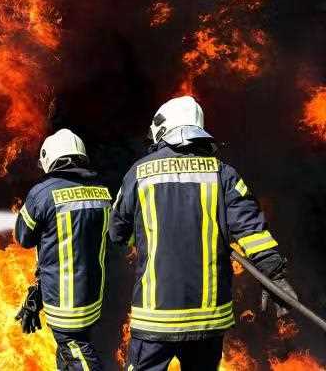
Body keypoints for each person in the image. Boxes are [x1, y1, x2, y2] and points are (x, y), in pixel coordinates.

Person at [110, 95, 298, 370]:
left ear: (162, 127)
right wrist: (274, 275)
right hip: (208, 320)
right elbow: (251, 230)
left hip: (155, 316)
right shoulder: (223, 174)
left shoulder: (138, 173)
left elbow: (117, 232)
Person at [15, 129, 111, 371]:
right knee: (67, 355)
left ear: (50, 158)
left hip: (64, 301)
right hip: (93, 295)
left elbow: (23, 237)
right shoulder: (101, 190)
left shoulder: (42, 193)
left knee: (74, 348)